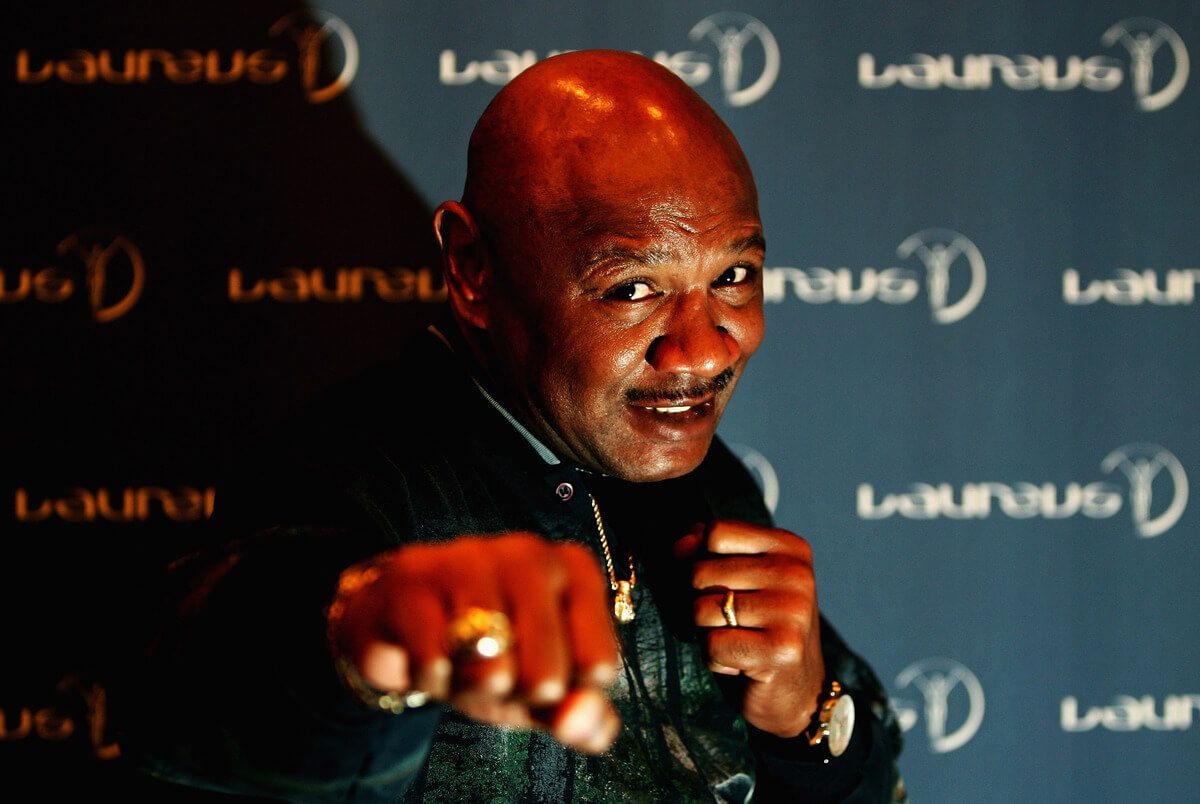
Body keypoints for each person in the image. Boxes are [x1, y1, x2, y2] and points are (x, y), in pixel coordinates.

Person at [123, 50, 904, 802]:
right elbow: (186, 699)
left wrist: (808, 723)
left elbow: (864, 778)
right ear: (473, 268)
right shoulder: (341, 478)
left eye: (733, 276)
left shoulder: (704, 479)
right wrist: (363, 631)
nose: (702, 350)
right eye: (632, 288)